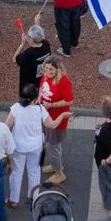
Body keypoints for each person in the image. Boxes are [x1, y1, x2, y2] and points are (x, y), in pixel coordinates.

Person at [6, 82, 46, 205]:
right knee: (34, 172)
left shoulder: (16, 108)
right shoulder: (40, 109)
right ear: (35, 98)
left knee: (16, 173)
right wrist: (63, 116)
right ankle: (34, 197)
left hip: (18, 146)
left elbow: (7, 127)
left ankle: (13, 200)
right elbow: (52, 124)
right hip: (36, 146)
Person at [38, 57, 73, 185]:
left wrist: (52, 105)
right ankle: (55, 165)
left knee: (53, 147)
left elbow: (69, 101)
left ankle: (59, 173)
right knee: (51, 145)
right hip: (46, 116)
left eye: (51, 69)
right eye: (46, 68)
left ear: (58, 69)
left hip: (57, 119)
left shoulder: (64, 82)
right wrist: (39, 98)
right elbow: (42, 89)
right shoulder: (45, 76)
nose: (47, 71)